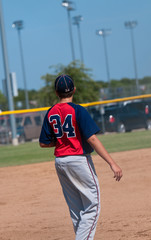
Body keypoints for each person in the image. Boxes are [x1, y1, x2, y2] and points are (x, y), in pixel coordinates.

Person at [39, 74, 123, 240]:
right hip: (78, 160)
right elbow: (91, 138)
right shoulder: (78, 110)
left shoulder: (51, 112)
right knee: (92, 206)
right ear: (74, 90)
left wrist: (62, 141)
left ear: (56, 92)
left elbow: (43, 143)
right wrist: (112, 163)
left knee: (77, 209)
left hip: (61, 162)